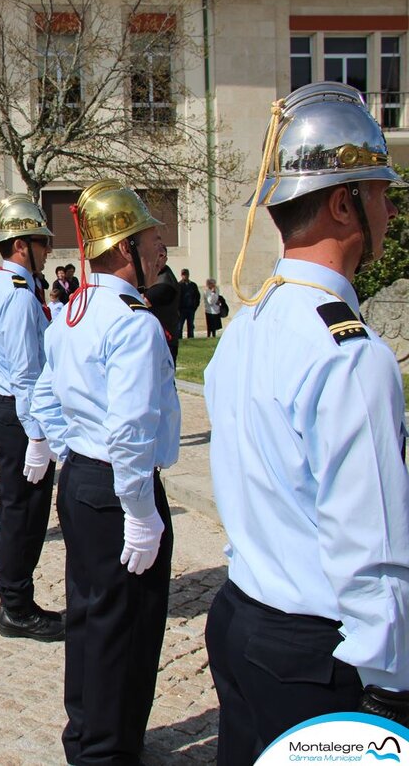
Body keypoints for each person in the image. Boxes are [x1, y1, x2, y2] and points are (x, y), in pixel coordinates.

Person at [204, 81, 409, 762]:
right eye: (380, 192)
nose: (390, 208)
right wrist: (389, 688)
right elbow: (371, 549)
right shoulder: (352, 354)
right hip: (318, 656)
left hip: (242, 620)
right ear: (344, 202)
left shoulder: (247, 324)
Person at [31, 180, 180, 764]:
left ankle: (87, 736)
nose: (160, 248)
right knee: (129, 626)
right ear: (125, 251)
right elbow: (131, 430)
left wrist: (69, 450)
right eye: (151, 240)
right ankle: (110, 750)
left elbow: (46, 396)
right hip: (121, 489)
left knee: (90, 616)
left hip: (86, 479)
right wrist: (141, 513)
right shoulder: (133, 321)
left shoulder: (74, 310)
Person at [0, 194, 63, 642]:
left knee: (19, 509)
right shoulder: (17, 297)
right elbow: (27, 372)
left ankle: (15, 600)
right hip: (19, 413)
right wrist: (37, 435)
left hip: (12, 409)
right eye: (42, 243)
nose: (48, 250)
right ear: (21, 246)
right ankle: (16, 606)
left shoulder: (9, 288)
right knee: (23, 513)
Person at [145, 257, 180, 362]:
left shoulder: (164, 282)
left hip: (164, 339)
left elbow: (142, 303)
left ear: (165, 259)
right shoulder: (157, 277)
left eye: (160, 256)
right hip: (160, 338)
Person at [177, 268, 200, 338]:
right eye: (183, 275)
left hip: (191, 309)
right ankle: (179, 338)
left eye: (186, 274)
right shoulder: (179, 285)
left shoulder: (193, 285)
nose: (185, 276)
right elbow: (176, 297)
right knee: (180, 325)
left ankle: (190, 337)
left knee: (190, 325)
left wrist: (195, 306)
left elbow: (197, 296)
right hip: (182, 309)